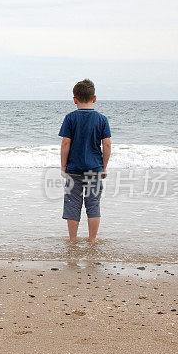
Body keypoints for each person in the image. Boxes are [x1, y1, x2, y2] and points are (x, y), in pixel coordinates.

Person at [59, 79, 111, 242]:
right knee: (93, 205)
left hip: (74, 170)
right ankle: (92, 239)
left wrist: (63, 166)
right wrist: (103, 167)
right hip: (94, 170)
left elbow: (66, 143)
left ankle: (73, 239)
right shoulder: (101, 119)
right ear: (94, 98)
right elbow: (107, 145)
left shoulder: (70, 118)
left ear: (75, 99)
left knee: (73, 204)